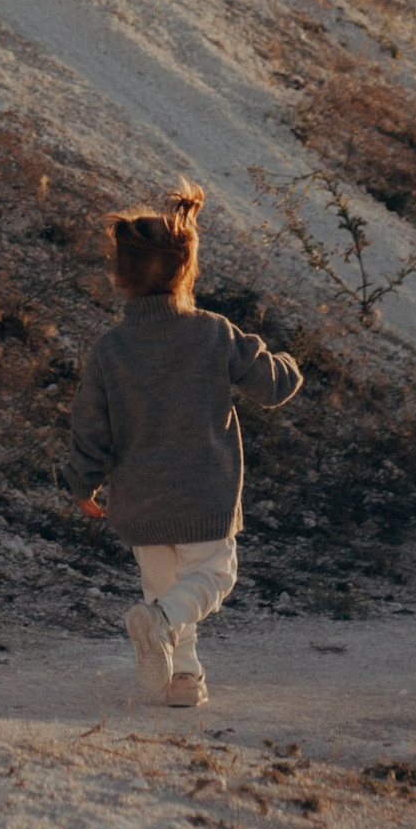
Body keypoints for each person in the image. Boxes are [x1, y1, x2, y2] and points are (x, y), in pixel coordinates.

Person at [67, 183, 301, 709]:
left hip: (140, 500)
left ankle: (183, 680)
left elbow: (90, 423)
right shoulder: (214, 333)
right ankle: (163, 624)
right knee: (212, 577)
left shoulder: (110, 349)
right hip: (203, 495)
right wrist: (289, 364)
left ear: (120, 278)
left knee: (164, 585)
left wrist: (84, 481)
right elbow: (271, 388)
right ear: (186, 271)